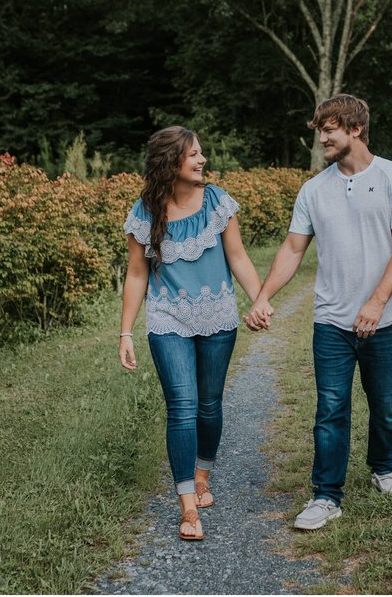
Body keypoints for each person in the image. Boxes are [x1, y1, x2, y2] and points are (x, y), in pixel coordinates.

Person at [245, 94, 392, 531]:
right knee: (330, 407)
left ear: (355, 129)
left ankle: (384, 467)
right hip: (331, 321)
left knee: (383, 403)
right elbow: (292, 248)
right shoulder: (313, 190)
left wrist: (377, 301)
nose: (321, 137)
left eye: (329, 129)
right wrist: (264, 295)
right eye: (320, 129)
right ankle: (326, 496)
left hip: (384, 318)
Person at [119, 126, 262, 541]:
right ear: (171, 163)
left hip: (217, 315)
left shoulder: (218, 201)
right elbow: (135, 274)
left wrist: (259, 298)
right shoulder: (145, 211)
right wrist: (125, 333)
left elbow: (237, 256)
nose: (202, 160)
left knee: (209, 405)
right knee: (182, 406)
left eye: (201, 153)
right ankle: (186, 506)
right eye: (193, 155)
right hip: (168, 320)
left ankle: (203, 475)